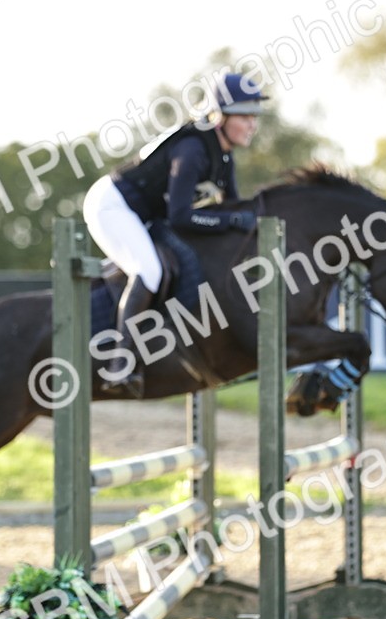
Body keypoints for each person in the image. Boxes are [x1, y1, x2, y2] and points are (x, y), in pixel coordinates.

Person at [82, 72, 267, 398]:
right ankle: (119, 364)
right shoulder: (194, 149)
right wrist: (231, 222)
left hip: (141, 216)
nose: (252, 124)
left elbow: (231, 209)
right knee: (149, 271)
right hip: (112, 206)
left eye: (255, 116)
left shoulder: (222, 157)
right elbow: (181, 217)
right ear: (219, 116)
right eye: (245, 115)